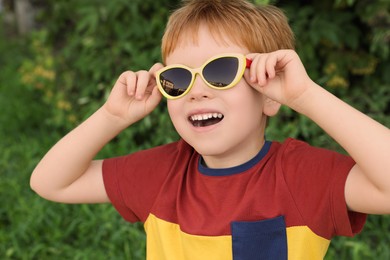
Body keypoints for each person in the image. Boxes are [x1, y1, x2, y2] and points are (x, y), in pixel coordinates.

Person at [30, 0, 390, 259]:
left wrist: (305, 95)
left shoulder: (300, 177)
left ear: (268, 92)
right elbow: (50, 182)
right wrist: (112, 116)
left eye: (220, 72)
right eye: (179, 79)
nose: (198, 90)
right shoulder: (161, 176)